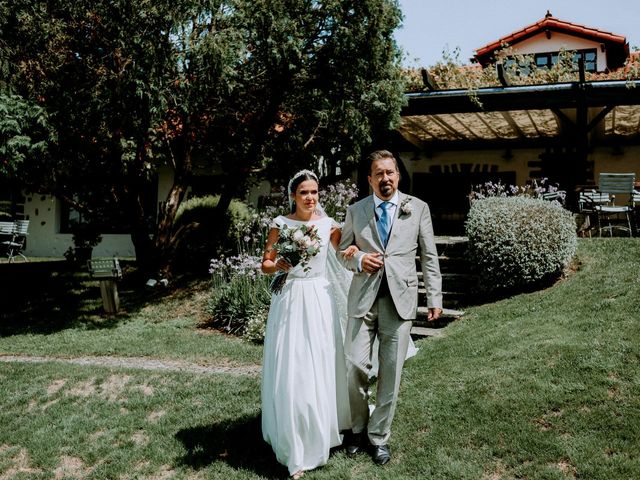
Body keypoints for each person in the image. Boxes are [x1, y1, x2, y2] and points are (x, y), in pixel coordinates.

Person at [337, 150, 443, 466]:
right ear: (369, 179)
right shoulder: (355, 211)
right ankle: (357, 428)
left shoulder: (418, 208)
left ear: (398, 175)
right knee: (354, 365)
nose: (386, 178)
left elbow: (429, 256)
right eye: (379, 174)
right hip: (362, 300)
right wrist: (358, 259)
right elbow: (342, 250)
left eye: (390, 172)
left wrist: (434, 298)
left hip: (401, 300)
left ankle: (378, 437)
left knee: (391, 373)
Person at [260, 169, 356, 479]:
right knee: (294, 364)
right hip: (289, 297)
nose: (310, 198)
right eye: (304, 193)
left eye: (314, 192)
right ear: (293, 196)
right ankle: (294, 440)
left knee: (321, 361)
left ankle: (324, 427)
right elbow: (265, 264)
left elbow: (342, 253)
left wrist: (353, 251)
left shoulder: (329, 225)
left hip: (319, 297)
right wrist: (277, 264)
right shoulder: (280, 224)